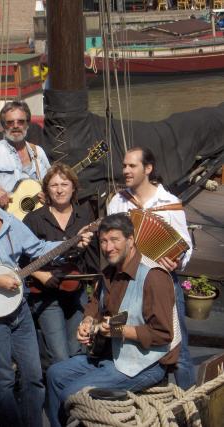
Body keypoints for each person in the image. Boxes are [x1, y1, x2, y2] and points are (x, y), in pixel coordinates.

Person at [0, 166, 92, 427]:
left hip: (20, 310)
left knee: (34, 377)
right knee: (2, 382)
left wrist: (72, 242)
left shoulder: (11, 222)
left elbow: (39, 248)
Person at [46, 213, 181, 427]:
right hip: (111, 355)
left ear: (130, 240)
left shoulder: (154, 277)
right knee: (54, 374)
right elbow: (94, 302)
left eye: (114, 240)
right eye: (103, 241)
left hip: (146, 364)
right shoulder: (108, 271)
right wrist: (88, 321)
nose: (108, 248)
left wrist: (120, 331)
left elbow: (163, 334)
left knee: (71, 394)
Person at [107, 146, 195, 390]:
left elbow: (185, 245)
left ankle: (190, 406)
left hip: (163, 282)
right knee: (135, 343)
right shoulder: (117, 202)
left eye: (132, 166)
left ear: (148, 169)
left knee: (179, 350)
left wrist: (177, 261)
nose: (125, 170)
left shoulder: (170, 204)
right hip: (128, 283)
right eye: (124, 165)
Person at [22, 163, 100, 368]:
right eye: (54, 185)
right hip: (46, 294)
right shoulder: (34, 219)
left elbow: (93, 257)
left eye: (64, 184)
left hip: (77, 292)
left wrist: (96, 292)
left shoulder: (84, 216)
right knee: (59, 356)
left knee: (78, 351)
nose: (59, 189)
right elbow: (22, 259)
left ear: (73, 188)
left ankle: (74, 399)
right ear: (46, 190)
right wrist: (40, 275)